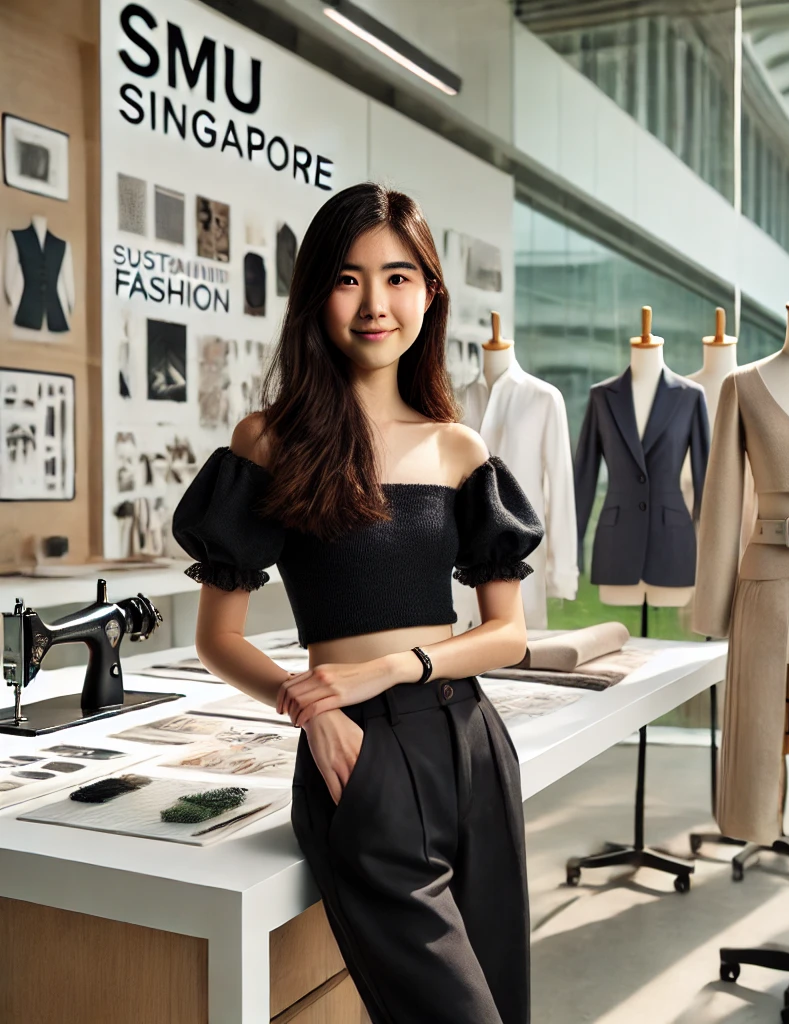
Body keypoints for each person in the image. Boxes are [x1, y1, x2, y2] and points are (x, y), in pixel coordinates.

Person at [172, 182, 543, 1024]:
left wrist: (388, 668)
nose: (376, 303)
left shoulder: (459, 447)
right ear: (315, 297)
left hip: (472, 747)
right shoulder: (269, 442)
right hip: (360, 752)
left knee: (506, 1008)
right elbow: (218, 639)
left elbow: (508, 634)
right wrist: (313, 710)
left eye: (399, 276)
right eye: (347, 278)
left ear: (429, 293)